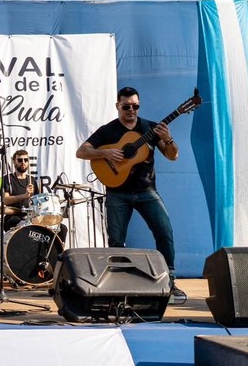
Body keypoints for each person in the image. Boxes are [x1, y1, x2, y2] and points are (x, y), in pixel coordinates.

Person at [75, 86, 184, 300]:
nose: (131, 110)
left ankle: (169, 281)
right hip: (117, 193)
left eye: (135, 106)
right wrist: (105, 152)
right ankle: (118, 286)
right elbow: (81, 151)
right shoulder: (109, 130)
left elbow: (173, 156)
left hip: (146, 191)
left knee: (164, 232)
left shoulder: (150, 129)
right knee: (116, 241)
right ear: (118, 106)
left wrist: (169, 139)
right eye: (126, 106)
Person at [1, 149, 39, 231]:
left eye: (26, 160)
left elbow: (38, 202)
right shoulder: (8, 179)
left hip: (29, 217)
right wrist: (24, 196)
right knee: (24, 225)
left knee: (62, 228)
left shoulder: (32, 180)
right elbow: (5, 200)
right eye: (20, 160)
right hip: (12, 217)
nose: (23, 162)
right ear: (14, 162)